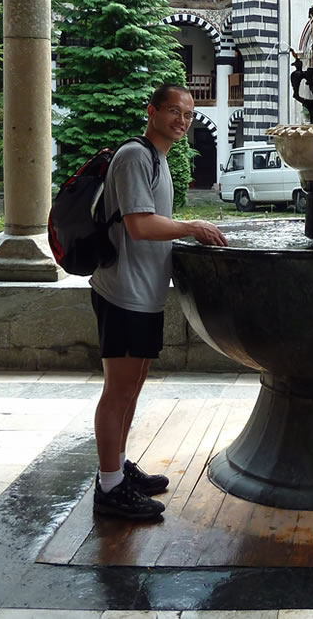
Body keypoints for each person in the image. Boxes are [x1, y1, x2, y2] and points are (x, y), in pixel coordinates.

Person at [91, 83, 228, 521]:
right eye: (173, 111)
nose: (181, 121)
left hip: (143, 293)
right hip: (124, 292)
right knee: (118, 391)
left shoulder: (159, 158)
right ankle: (109, 487)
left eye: (187, 114)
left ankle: (118, 467)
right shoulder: (135, 156)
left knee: (132, 387)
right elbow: (139, 225)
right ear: (151, 111)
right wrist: (191, 227)